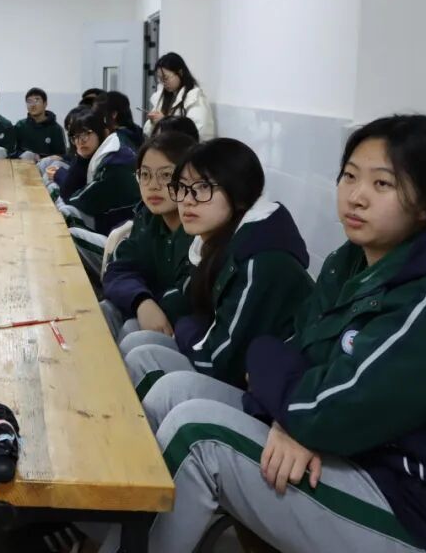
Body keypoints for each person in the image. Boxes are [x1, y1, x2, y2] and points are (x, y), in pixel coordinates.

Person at [142, 114, 426, 553]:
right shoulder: (348, 260)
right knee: (173, 392)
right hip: (342, 447)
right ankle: (120, 519)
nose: (356, 196)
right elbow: (282, 348)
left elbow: (327, 409)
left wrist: (302, 418)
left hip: (408, 505)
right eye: (350, 176)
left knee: (197, 435)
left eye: (382, 184)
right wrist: (292, 418)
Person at [121, 138, 313, 401]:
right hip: (222, 361)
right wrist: (148, 303)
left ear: (240, 194)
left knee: (169, 388)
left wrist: (187, 325)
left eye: (202, 188)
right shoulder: (212, 242)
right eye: (182, 188)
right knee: (138, 341)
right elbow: (183, 301)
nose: (187, 201)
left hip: (268, 400)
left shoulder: (262, 262)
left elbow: (220, 362)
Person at [100, 132, 197, 340]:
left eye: (166, 175)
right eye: (145, 175)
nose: (153, 185)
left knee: (131, 331)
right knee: (103, 311)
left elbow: (185, 301)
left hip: (185, 333)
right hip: (149, 307)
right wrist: (141, 300)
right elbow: (118, 269)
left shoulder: (199, 230)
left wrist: (146, 298)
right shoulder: (148, 218)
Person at [53, 109, 140, 273]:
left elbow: (75, 197)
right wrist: (80, 158)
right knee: (65, 211)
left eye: (85, 134)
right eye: (75, 137)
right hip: (111, 225)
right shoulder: (109, 152)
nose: (80, 141)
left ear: (103, 132)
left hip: (122, 243)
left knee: (68, 229)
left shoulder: (115, 162)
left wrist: (72, 164)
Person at [143, 52, 215, 139]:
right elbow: (147, 132)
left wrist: (164, 123)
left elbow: (197, 134)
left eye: (166, 78)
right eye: (160, 79)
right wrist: (153, 122)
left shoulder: (195, 98)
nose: (163, 83)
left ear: (180, 73)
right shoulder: (164, 96)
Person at [15, 87, 67, 162]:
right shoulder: (20, 126)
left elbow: (62, 156)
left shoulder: (56, 129)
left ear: (45, 104)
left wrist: (44, 159)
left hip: (47, 166)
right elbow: (13, 152)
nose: (32, 105)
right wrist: (24, 155)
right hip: (23, 165)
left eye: (36, 100)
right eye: (29, 101)